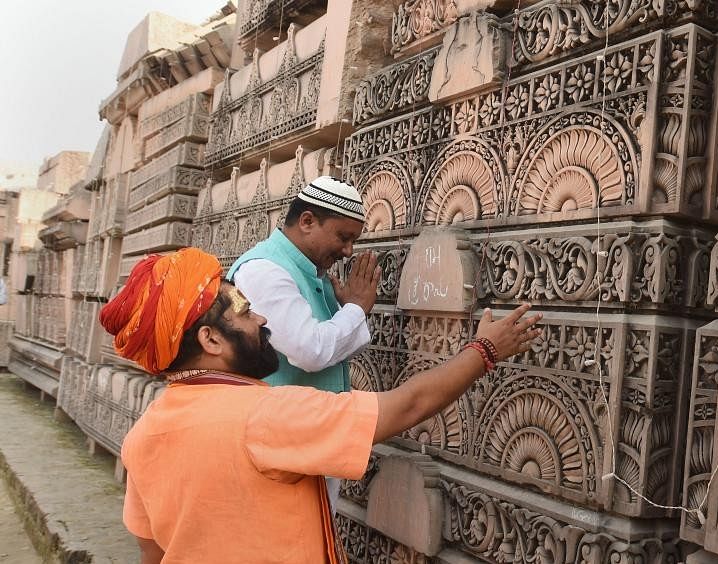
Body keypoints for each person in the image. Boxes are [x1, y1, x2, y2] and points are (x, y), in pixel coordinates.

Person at [100, 247, 540, 563]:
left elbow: (151, 552)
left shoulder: (144, 434)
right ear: (210, 339)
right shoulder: (263, 416)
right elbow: (407, 407)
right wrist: (485, 350)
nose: (263, 320)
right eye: (245, 313)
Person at [227, 175, 378, 516]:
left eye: (353, 241)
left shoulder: (310, 273)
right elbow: (311, 351)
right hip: (281, 445)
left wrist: (346, 309)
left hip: (306, 440)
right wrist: (355, 308)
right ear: (308, 221)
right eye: (343, 237)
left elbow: (334, 347)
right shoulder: (266, 271)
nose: (348, 251)